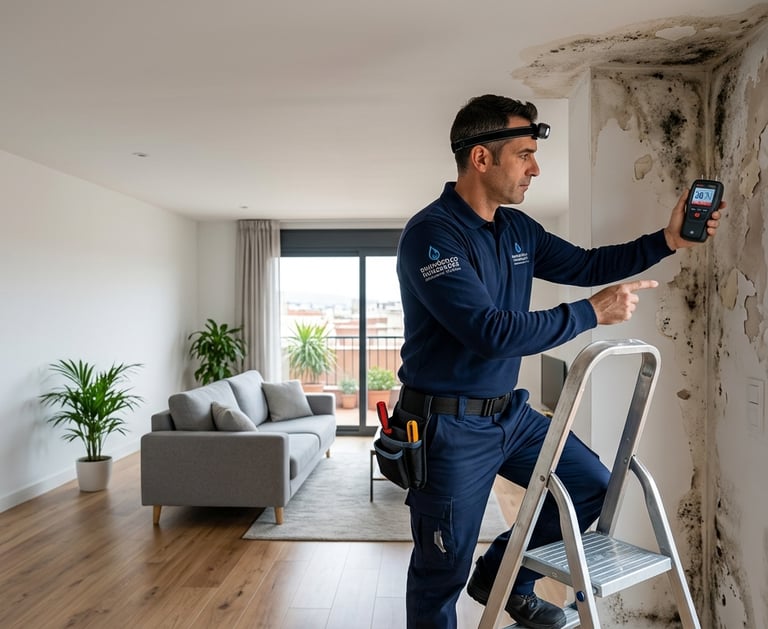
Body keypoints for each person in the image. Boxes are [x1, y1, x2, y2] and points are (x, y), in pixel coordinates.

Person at [394, 94, 722, 629]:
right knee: (439, 574)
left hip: (511, 415)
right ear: (481, 158)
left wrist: (667, 239)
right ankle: (468, 580)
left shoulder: (517, 230)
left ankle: (502, 575)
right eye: (524, 154)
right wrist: (591, 314)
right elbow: (489, 332)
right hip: (447, 426)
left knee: (592, 483)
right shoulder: (431, 236)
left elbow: (589, 264)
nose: (535, 167)